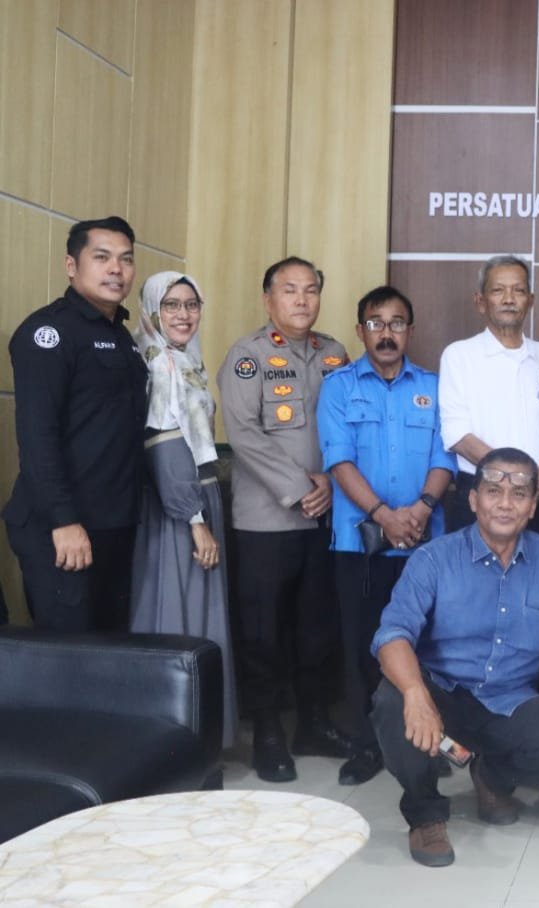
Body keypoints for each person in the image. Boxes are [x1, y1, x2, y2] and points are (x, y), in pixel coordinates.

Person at [371, 447, 539, 867]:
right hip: (441, 694)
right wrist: (414, 692)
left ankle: (492, 776)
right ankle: (425, 814)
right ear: (473, 500)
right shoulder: (433, 559)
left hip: (508, 699)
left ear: (533, 506)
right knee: (392, 703)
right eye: (493, 491)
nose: (505, 503)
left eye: (519, 494)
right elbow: (392, 634)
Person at [218, 256, 353, 782]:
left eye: (311, 289)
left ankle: (314, 723)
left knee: (317, 628)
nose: (302, 299)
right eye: (290, 289)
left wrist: (332, 484)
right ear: (268, 299)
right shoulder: (247, 356)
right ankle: (269, 733)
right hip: (266, 520)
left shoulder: (334, 353)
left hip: (325, 516)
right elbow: (244, 434)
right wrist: (300, 488)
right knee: (264, 632)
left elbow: (348, 426)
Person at [318, 286, 456, 785]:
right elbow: (339, 460)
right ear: (361, 331)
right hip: (359, 543)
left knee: (426, 644)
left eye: (397, 323)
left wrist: (420, 509)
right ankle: (366, 745)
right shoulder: (338, 387)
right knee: (361, 645)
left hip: (424, 541)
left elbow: (444, 456)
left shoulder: (435, 387)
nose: (386, 333)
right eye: (376, 323)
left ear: (410, 331)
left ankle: (427, 742)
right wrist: (383, 515)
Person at [5, 216, 147, 631]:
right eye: (101, 257)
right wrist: (63, 520)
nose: (116, 269)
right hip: (63, 526)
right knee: (70, 656)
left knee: (110, 650)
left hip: (114, 524)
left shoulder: (122, 336)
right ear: (71, 265)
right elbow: (37, 437)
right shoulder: (49, 332)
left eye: (125, 259)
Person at [128, 271, 236, 747]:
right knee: (179, 614)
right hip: (179, 509)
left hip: (197, 495)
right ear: (153, 310)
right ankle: (177, 739)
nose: (183, 314)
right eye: (171, 305)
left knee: (196, 613)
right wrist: (195, 521)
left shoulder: (186, 359)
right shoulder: (159, 364)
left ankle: (196, 736)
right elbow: (163, 445)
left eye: (191, 304)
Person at [439, 254, 539, 536]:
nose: (509, 299)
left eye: (518, 290)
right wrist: (515, 478)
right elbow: (457, 434)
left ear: (530, 300)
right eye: (498, 290)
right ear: (480, 301)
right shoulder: (458, 355)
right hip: (481, 492)